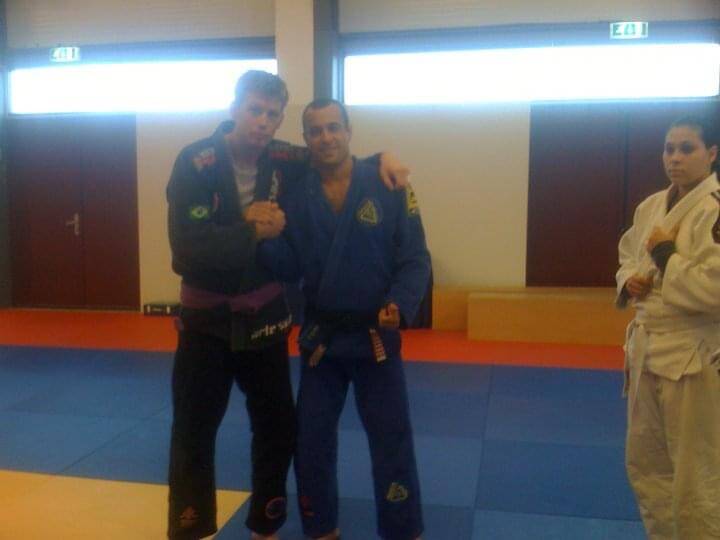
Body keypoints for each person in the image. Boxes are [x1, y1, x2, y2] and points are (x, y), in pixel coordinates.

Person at [166, 71, 410, 540]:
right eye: (254, 110)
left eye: (272, 114)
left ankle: (266, 526)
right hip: (205, 322)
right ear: (234, 108)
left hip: (265, 321)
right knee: (193, 430)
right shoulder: (196, 161)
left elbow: (333, 153)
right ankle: (190, 529)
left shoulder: (284, 158)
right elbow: (186, 250)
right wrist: (249, 228)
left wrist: (383, 157)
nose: (262, 121)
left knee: (277, 428)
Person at [259, 98, 430, 540]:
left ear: (349, 131)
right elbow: (289, 267)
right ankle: (321, 528)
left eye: (334, 127)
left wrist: (401, 303)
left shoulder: (388, 183)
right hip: (323, 339)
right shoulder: (296, 195)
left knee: (392, 440)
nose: (326, 137)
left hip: (376, 335)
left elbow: (414, 258)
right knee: (311, 439)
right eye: (316, 131)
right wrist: (267, 239)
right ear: (306, 139)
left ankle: (402, 529)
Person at [616, 115, 720, 539]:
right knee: (647, 465)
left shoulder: (714, 209)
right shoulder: (651, 206)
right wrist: (629, 280)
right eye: (669, 148)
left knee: (696, 473)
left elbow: (713, 288)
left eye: (686, 149)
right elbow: (627, 254)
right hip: (646, 351)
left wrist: (665, 257)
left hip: (694, 352)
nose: (674, 158)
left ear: (711, 154)